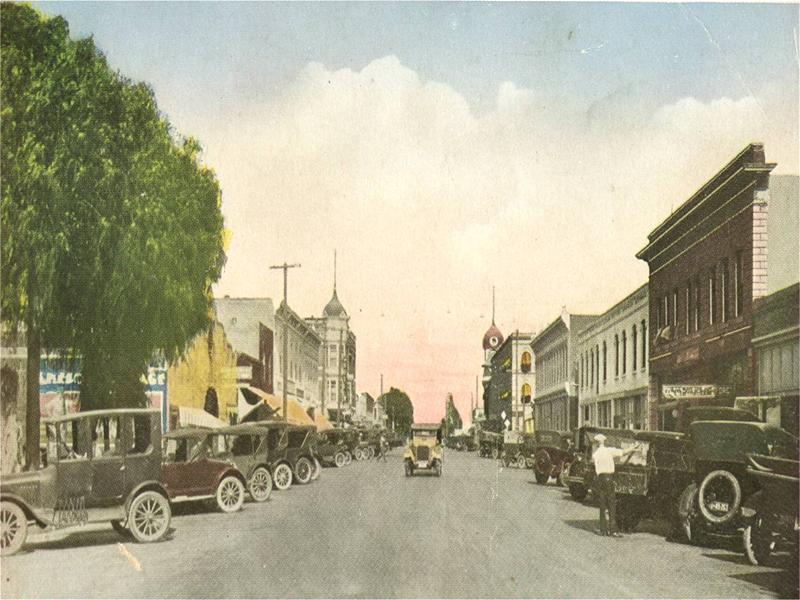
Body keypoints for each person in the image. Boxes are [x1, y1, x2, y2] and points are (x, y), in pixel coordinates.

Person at [591, 433, 639, 538]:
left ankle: (603, 530)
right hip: (609, 478)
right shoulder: (609, 451)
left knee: (602, 505)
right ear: (604, 442)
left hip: (600, 479)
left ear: (596, 443)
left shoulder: (595, 454)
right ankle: (613, 530)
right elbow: (623, 452)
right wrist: (633, 448)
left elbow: (594, 465)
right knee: (612, 504)